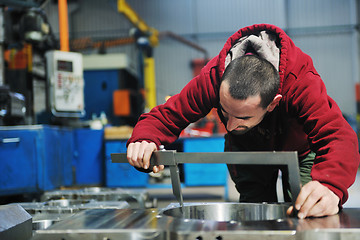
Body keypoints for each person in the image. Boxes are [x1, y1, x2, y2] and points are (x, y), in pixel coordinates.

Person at [125, 24, 360, 219]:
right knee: (254, 213)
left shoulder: (300, 82)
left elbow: (338, 135)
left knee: (309, 209)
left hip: (301, 150)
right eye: (225, 112)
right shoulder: (213, 79)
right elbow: (168, 115)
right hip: (247, 147)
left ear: (273, 103)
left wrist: (331, 186)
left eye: (243, 116)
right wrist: (145, 137)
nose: (229, 125)